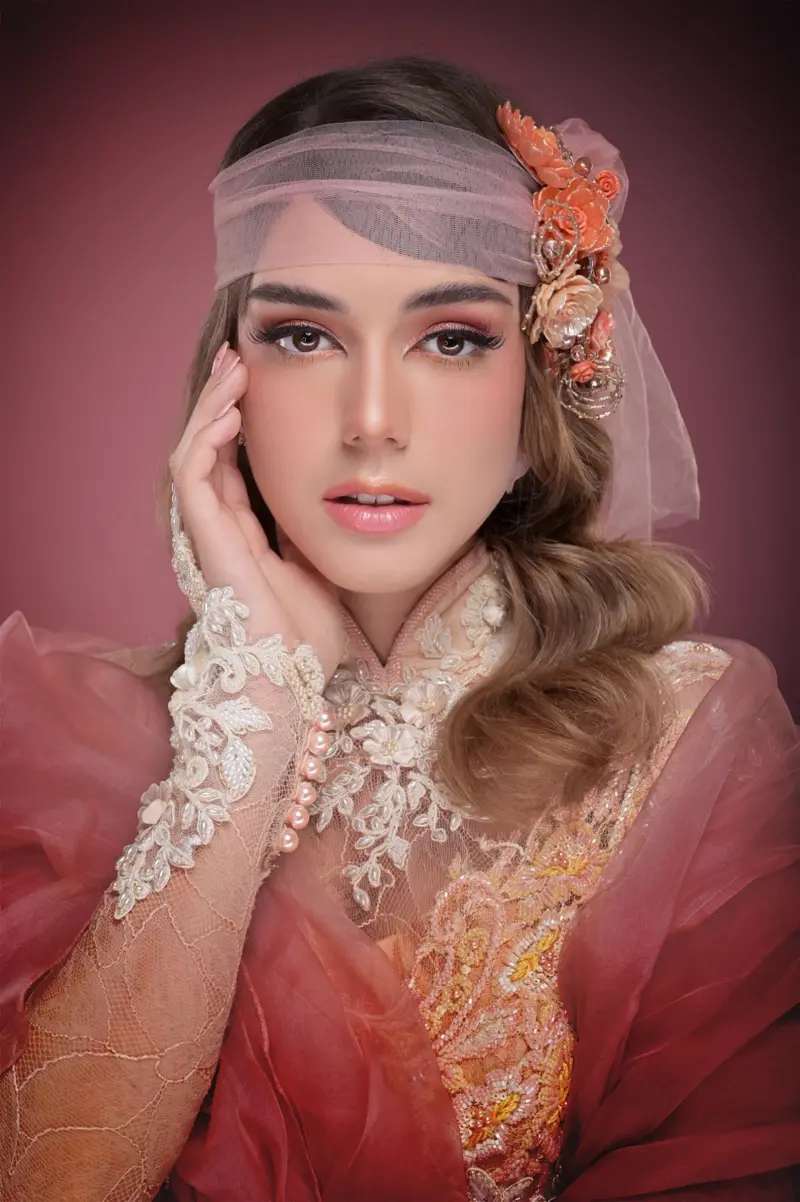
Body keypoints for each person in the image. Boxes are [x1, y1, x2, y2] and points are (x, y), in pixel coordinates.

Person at [0, 55, 797, 1202]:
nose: (371, 420)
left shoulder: (681, 739)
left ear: (540, 375)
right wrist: (249, 712)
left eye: (452, 338)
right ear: (227, 382)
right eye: (303, 336)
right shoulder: (74, 740)